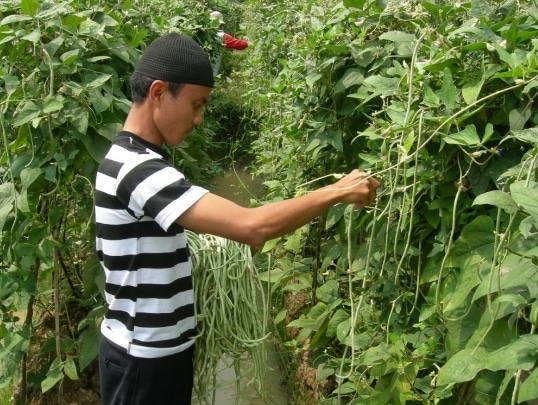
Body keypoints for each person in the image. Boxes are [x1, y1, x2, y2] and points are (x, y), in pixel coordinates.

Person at [94, 32, 381, 404]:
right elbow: (252, 227)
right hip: (141, 359)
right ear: (159, 93)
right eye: (196, 104)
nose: (199, 119)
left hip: (156, 352)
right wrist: (337, 191)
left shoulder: (139, 161)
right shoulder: (138, 170)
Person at [209, 10, 248, 75]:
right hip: (211, 73)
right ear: (220, 24)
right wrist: (249, 43)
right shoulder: (222, 36)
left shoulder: (202, 33)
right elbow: (240, 45)